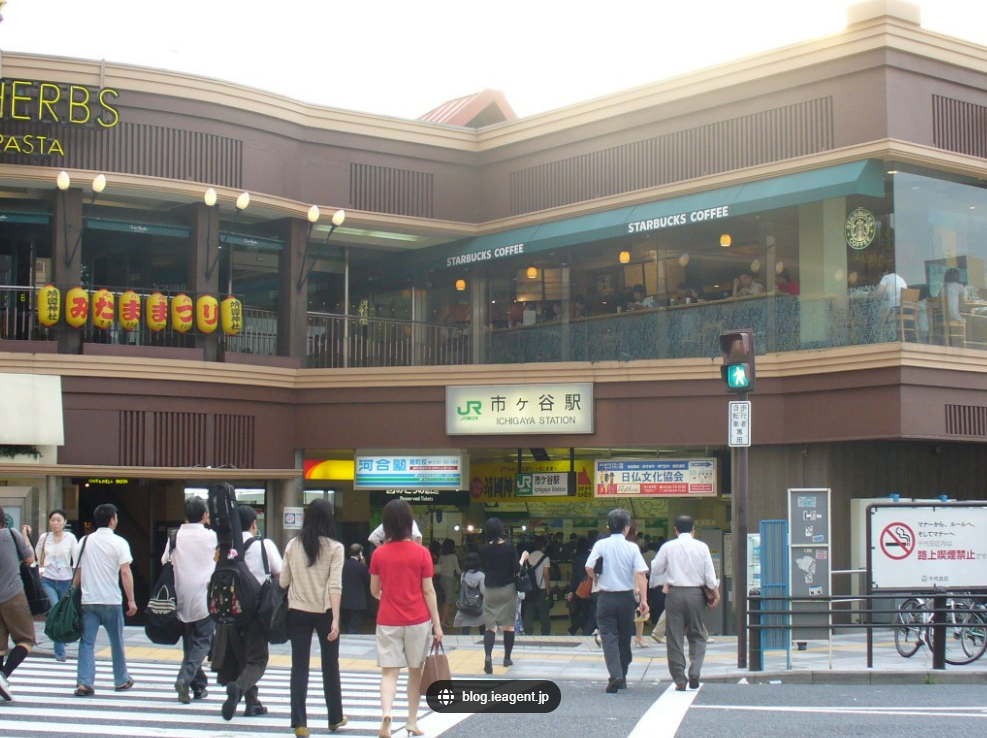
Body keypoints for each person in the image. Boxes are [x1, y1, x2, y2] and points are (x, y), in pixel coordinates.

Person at [369, 499, 442, 738]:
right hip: (418, 620)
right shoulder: (422, 553)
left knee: (389, 672)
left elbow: (374, 590)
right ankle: (411, 720)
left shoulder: (379, 554)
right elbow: (428, 591)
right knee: (415, 670)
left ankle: (386, 714)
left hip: (388, 619)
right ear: (410, 523)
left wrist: (388, 597)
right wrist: (437, 625)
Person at [280, 498, 347, 736]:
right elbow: (335, 585)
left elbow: (283, 581)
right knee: (330, 665)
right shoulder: (335, 548)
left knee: (299, 666)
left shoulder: (292, 545)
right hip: (325, 612)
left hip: (297, 610)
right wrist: (336, 619)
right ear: (329, 519)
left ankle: (300, 723)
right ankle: (334, 718)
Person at [219, 505, 282, 721]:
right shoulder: (264, 545)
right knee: (257, 660)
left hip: (232, 610)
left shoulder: (227, 548)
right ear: (254, 524)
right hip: (257, 611)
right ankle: (238, 689)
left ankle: (252, 703)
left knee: (242, 658)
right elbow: (280, 575)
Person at [72, 503, 137, 697]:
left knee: (87, 642)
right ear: (112, 520)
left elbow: (78, 573)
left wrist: (71, 592)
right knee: (116, 641)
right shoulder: (119, 542)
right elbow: (125, 572)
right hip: (111, 600)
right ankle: (121, 680)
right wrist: (131, 600)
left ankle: (84, 682)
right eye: (116, 517)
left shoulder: (83, 542)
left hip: (88, 600)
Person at [651, 515, 718, 691]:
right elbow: (710, 577)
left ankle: (680, 679)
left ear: (676, 530)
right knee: (697, 634)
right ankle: (695, 671)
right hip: (696, 595)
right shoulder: (702, 547)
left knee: (674, 637)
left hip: (674, 594)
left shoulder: (668, 547)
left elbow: (656, 569)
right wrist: (715, 594)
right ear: (693, 530)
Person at [585, 509, 648, 693]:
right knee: (624, 637)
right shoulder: (632, 547)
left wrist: (596, 578)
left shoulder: (601, 545)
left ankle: (615, 674)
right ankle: (623, 676)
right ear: (626, 528)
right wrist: (644, 600)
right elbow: (641, 573)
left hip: (606, 597)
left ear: (609, 526)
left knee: (608, 637)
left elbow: (588, 566)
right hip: (626, 598)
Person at [164, 496, 217, 704]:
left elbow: (165, 560)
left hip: (181, 596)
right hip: (204, 595)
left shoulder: (175, 536)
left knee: (190, 643)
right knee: (203, 641)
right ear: (204, 515)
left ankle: (198, 686)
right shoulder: (211, 536)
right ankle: (184, 678)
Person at [0, 506, 36, 701]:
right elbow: (30, 558)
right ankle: (3, 675)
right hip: (13, 594)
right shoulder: (11, 534)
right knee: (26, 639)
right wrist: (25, 536)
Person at [478, 517, 521, 674]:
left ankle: (488, 657)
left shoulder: (484, 549)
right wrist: (523, 559)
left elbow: (483, 567)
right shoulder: (510, 548)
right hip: (508, 589)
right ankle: (507, 658)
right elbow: (516, 569)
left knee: (490, 626)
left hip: (490, 590)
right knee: (508, 625)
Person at [35, 509, 78, 663]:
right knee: (56, 609)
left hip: (65, 580)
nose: (55, 523)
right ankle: (59, 651)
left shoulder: (70, 538)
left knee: (64, 612)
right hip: (48, 579)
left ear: (64, 522)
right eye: (53, 520)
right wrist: (41, 572)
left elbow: (76, 559)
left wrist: (75, 580)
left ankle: (61, 635)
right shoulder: (45, 537)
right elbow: (38, 555)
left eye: (58, 520)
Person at [521, 535, 552, 636]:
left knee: (529, 611)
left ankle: (527, 631)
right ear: (544, 546)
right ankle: (545, 632)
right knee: (544, 613)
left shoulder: (529, 556)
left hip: (530, 589)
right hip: (542, 588)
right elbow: (546, 574)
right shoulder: (545, 558)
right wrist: (548, 589)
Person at [341, 543, 370, 635]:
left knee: (346, 625)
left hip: (343, 600)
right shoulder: (362, 567)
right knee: (353, 626)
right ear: (360, 553)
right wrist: (364, 566)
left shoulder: (342, 565)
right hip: (357, 602)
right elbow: (368, 581)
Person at [564, 537, 592, 635]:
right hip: (589, 587)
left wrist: (571, 591)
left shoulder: (576, 558)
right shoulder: (591, 557)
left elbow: (574, 576)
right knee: (587, 612)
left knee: (578, 610)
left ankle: (577, 629)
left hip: (578, 588)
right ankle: (576, 629)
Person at [453, 552, 485, 635]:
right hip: (478, 608)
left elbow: (462, 588)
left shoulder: (463, 575)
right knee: (482, 627)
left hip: (465, 606)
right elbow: (483, 591)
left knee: (465, 629)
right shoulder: (481, 575)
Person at [437, 538, 461, 628]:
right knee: (448, 601)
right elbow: (458, 570)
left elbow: (438, 568)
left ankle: (442, 619)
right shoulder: (453, 557)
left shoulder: (441, 556)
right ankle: (443, 621)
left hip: (441, 579)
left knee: (443, 601)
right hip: (449, 580)